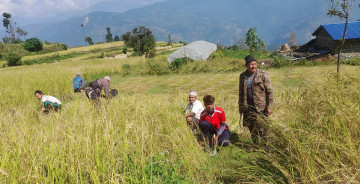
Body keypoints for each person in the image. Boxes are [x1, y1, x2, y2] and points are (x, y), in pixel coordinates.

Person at [239, 55, 274, 146]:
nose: (253, 66)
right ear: (246, 65)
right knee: (251, 126)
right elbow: (241, 93)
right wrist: (241, 106)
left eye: (254, 64)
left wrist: (269, 106)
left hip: (261, 106)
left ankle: (266, 146)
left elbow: (269, 91)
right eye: (251, 64)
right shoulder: (242, 76)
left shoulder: (263, 74)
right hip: (248, 106)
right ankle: (256, 145)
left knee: (263, 127)